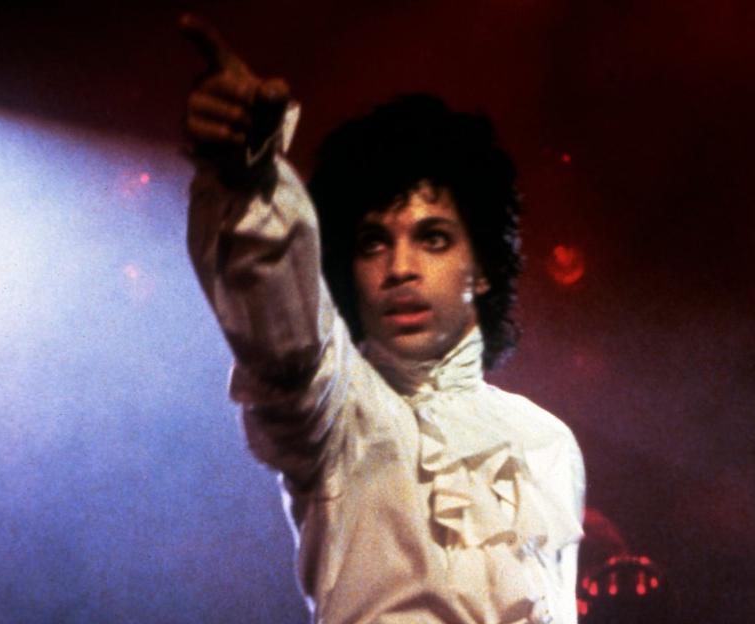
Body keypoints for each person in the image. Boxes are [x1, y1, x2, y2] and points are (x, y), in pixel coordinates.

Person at [181, 14, 586, 623]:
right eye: (373, 243)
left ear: (482, 268)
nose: (400, 268)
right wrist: (249, 177)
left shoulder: (548, 442)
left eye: (433, 238)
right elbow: (283, 333)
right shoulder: (341, 413)